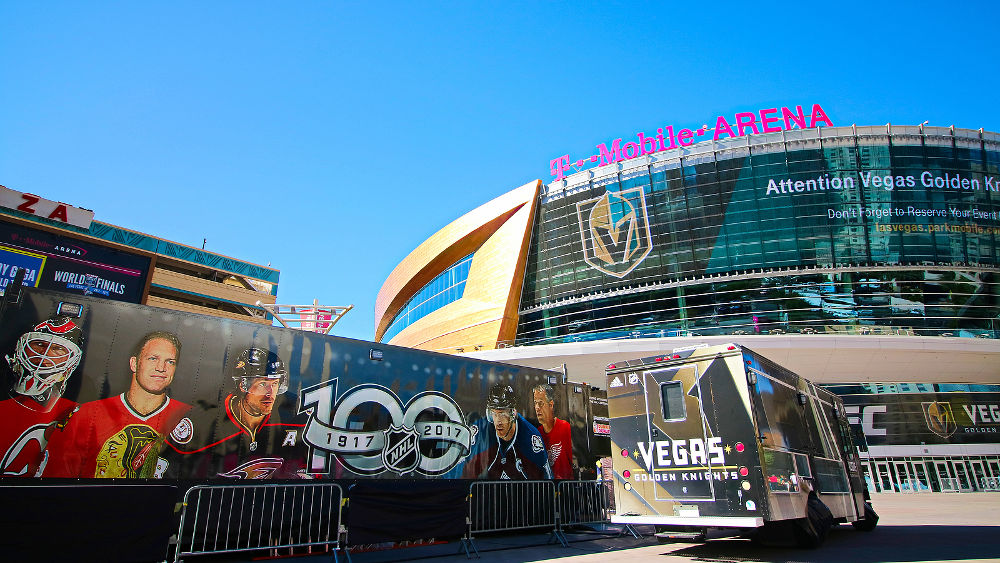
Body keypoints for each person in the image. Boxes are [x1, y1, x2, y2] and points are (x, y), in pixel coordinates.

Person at [43, 331, 191, 478]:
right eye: (152, 358)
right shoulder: (87, 414)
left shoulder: (185, 416)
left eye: (170, 362)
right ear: (134, 363)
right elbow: (57, 480)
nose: (161, 368)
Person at [162, 347, 310, 479]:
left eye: (275, 383)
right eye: (262, 384)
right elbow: (169, 470)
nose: (270, 394)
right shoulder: (203, 421)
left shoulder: (292, 414)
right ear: (243, 385)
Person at [0, 317, 84, 476]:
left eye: (58, 348)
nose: (45, 354)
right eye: (39, 344)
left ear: (72, 360)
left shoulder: (74, 413)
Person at [481, 383, 551, 480]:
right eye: (494, 414)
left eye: (502, 414)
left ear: (513, 413)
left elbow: (545, 478)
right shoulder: (486, 434)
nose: (498, 422)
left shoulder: (530, 438)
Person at [532, 384, 574, 479]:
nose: (537, 407)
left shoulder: (564, 428)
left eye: (541, 403)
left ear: (550, 405)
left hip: (565, 487)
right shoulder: (537, 434)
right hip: (547, 487)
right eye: (535, 403)